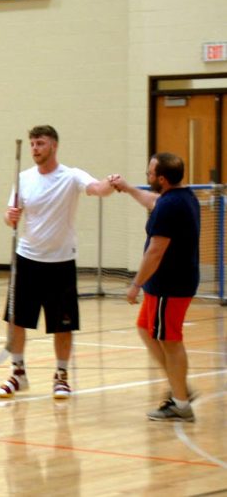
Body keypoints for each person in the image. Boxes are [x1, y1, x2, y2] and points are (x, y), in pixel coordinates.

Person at [0, 125, 115, 400]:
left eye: (40, 143)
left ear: (54, 146)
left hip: (61, 261)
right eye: (33, 144)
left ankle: (61, 376)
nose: (35, 149)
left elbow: (97, 189)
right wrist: (9, 216)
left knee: (63, 324)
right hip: (27, 258)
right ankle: (18, 373)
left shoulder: (71, 176)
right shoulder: (23, 178)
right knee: (17, 320)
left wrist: (110, 183)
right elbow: (9, 214)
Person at [110, 153, 200, 421]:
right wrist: (127, 188)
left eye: (150, 174)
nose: (147, 177)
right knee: (145, 329)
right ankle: (179, 385)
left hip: (169, 285)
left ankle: (181, 404)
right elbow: (152, 201)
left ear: (161, 178)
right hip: (164, 284)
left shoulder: (171, 206)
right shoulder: (181, 197)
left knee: (170, 341)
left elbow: (155, 252)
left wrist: (135, 284)